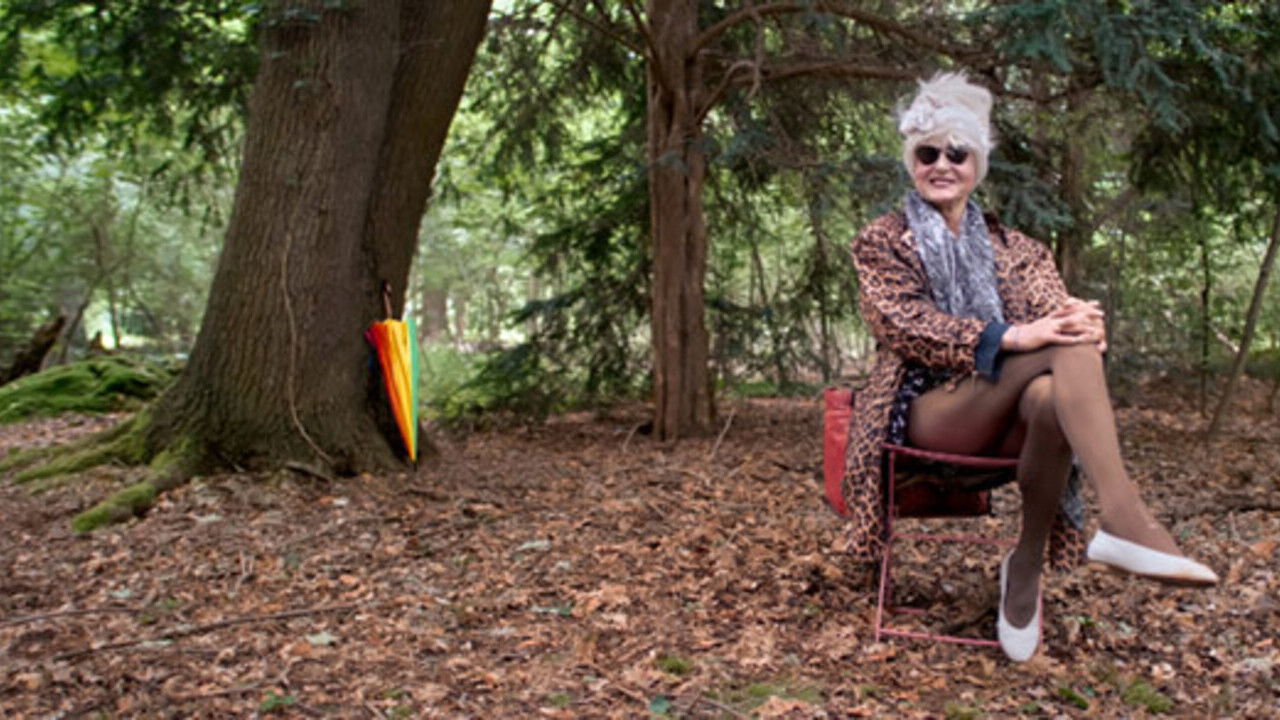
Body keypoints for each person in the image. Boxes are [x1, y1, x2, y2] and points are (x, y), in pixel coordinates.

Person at [841, 72, 1217, 663]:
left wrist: (1084, 323)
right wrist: (1017, 333)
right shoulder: (883, 242)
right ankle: (1123, 518)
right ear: (912, 161)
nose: (942, 163)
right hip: (931, 413)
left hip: (1015, 420)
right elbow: (903, 324)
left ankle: (1026, 564)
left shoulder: (1022, 250)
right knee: (1055, 344)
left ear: (977, 164)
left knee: (1049, 394)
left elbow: (1058, 320)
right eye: (927, 152)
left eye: (957, 153)